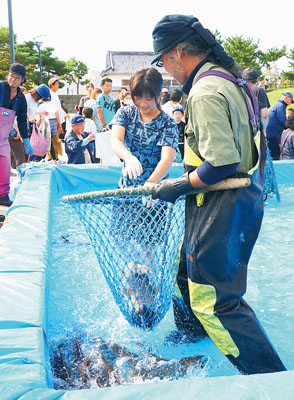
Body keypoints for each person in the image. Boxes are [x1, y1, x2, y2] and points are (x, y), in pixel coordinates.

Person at [150, 14, 286, 375]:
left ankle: (270, 380)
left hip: (222, 204)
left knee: (216, 302)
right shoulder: (226, 78)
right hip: (239, 202)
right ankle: (193, 337)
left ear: (178, 53)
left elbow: (222, 163)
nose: (164, 68)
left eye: (163, 59)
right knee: (184, 274)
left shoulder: (206, 91)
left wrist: (177, 187)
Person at [0, 63, 33, 206]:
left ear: (22, 80)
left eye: (17, 78)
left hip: (3, 139)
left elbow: (21, 120)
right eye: (11, 76)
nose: (12, 79)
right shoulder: (0, 88)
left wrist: (26, 141)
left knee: (5, 167)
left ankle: (3, 196)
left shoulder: (21, 98)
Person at [266, 92, 294, 160]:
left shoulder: (278, 105)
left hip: (271, 134)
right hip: (273, 134)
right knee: (275, 154)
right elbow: (282, 120)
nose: (290, 103)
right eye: (290, 100)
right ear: (286, 97)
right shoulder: (280, 105)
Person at [243, 68, 270, 133]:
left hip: (242, 130)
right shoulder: (259, 91)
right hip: (256, 131)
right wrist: (264, 130)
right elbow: (264, 115)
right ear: (257, 79)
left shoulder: (240, 91)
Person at [48, 76, 64, 161]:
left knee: (55, 140)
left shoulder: (55, 94)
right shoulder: (51, 94)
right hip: (54, 120)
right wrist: (59, 123)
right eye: (56, 83)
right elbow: (55, 110)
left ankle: (54, 157)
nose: (58, 85)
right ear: (52, 84)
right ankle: (53, 158)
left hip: (57, 120)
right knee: (54, 140)